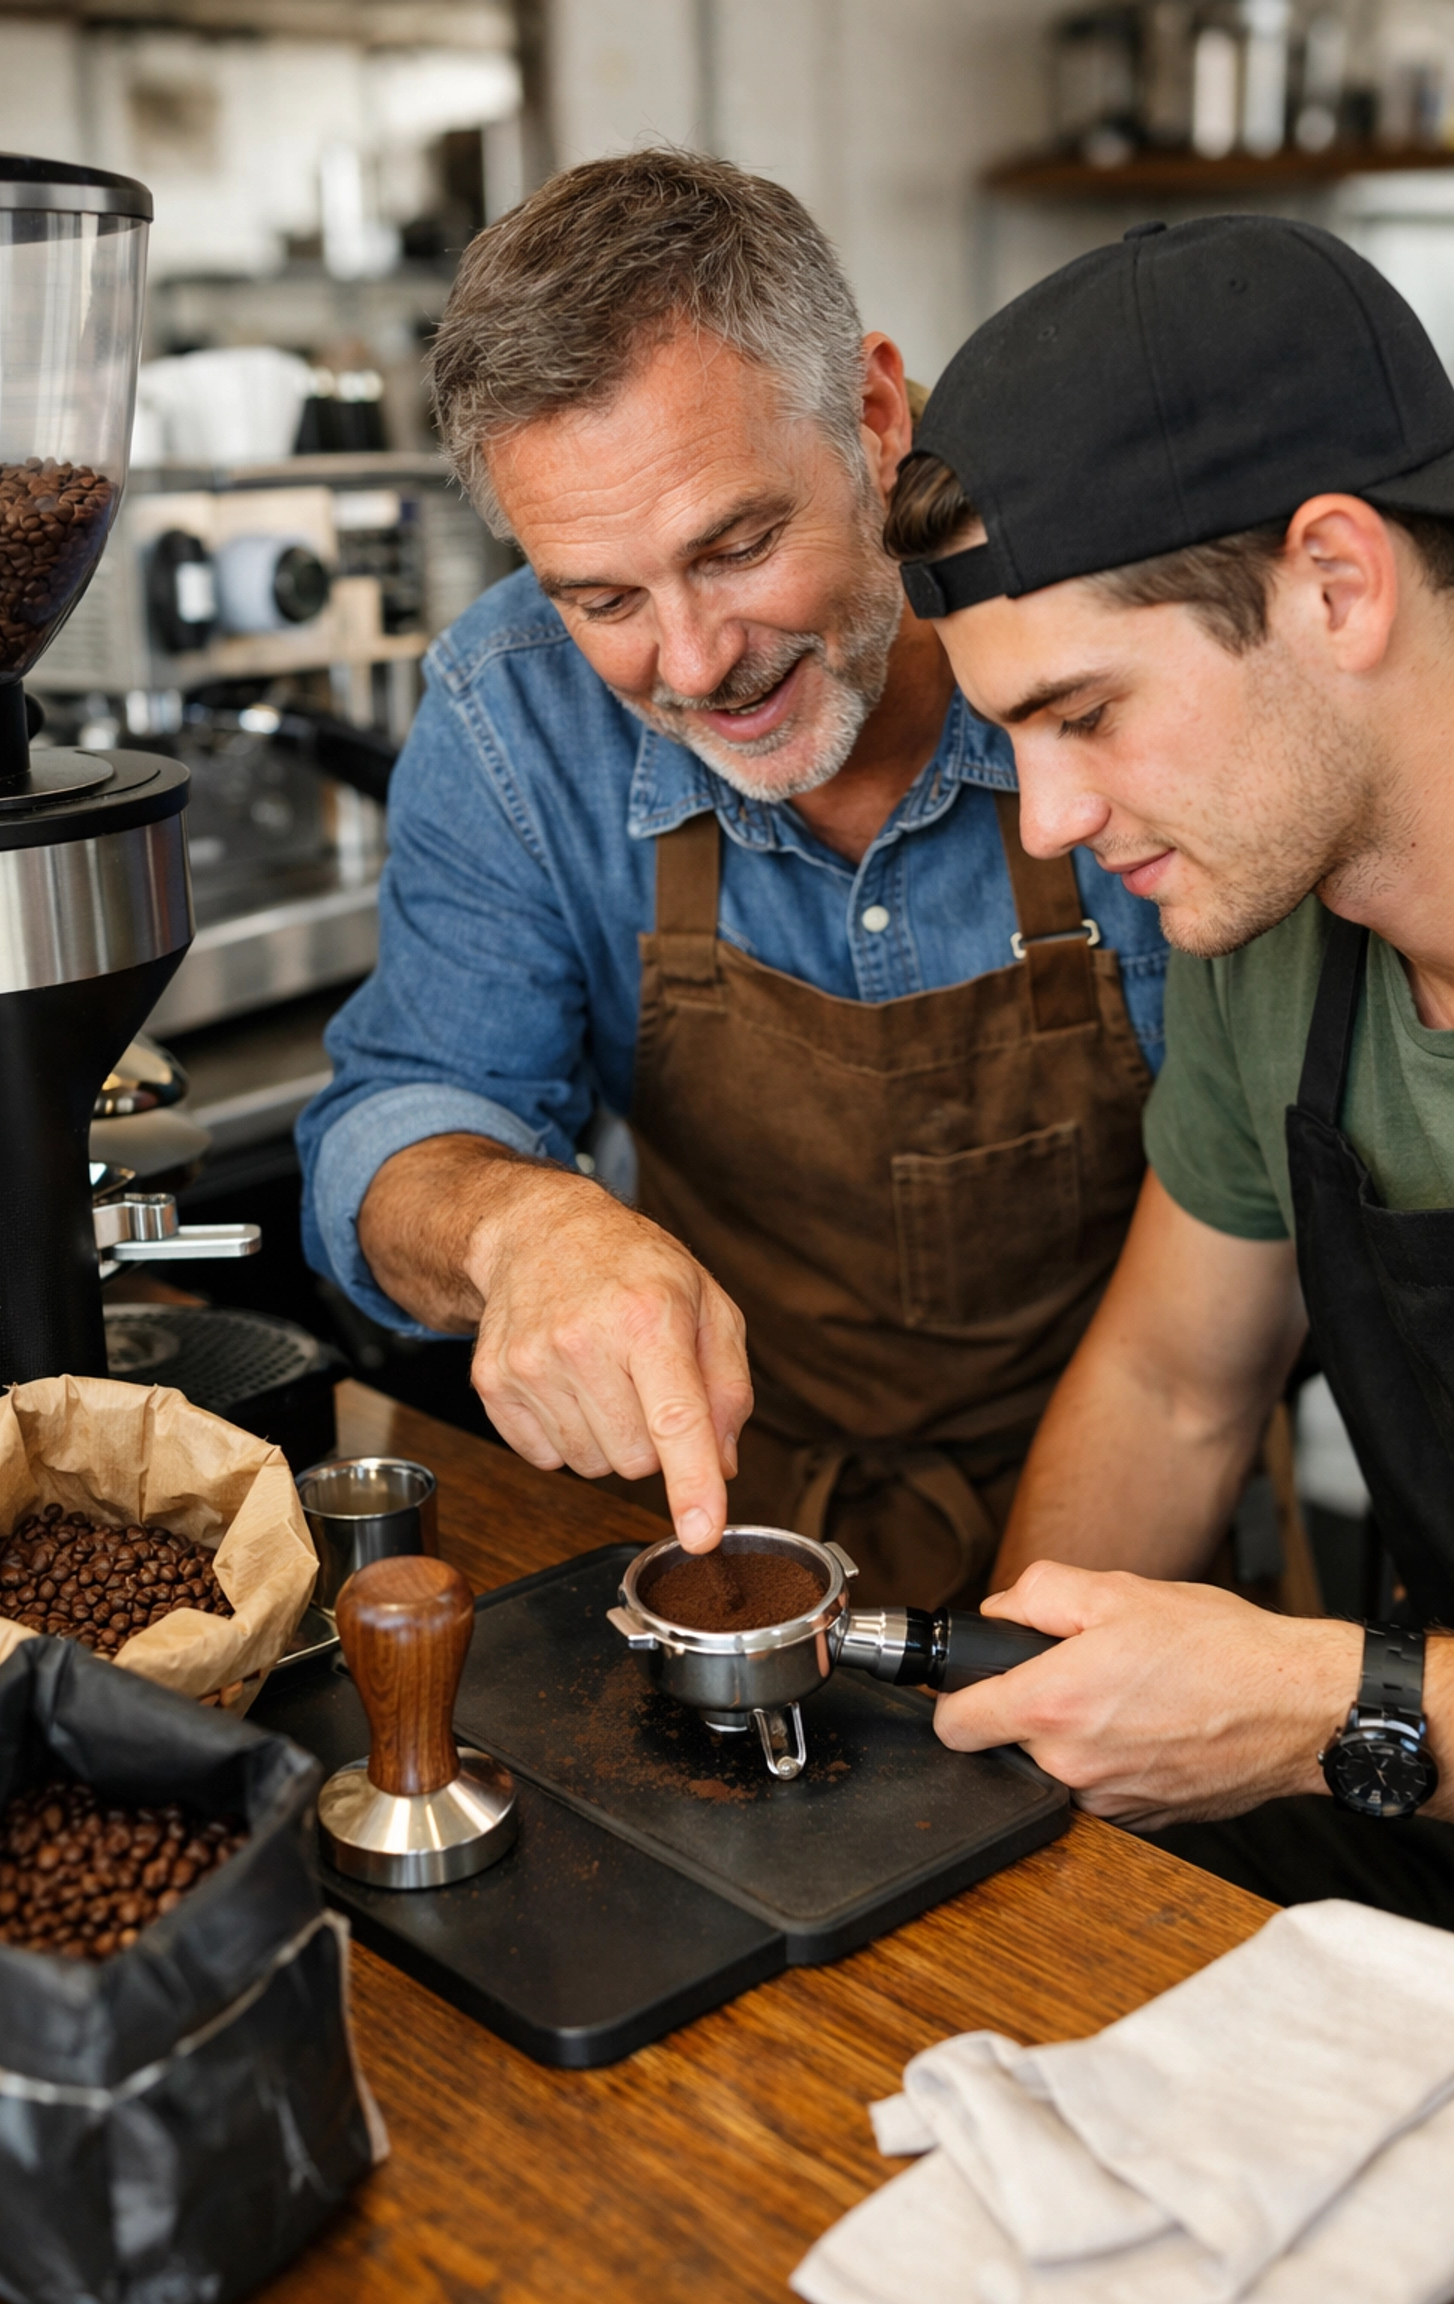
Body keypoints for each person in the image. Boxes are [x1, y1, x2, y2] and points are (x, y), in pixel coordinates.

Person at [297, 150, 1167, 1605]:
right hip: (726, 1534)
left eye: (739, 545)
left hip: (1140, 1524)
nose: (695, 664)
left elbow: (1247, 1245)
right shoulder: (513, 716)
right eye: (604, 598)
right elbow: (389, 1123)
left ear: (875, 416)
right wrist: (519, 1227)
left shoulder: (1109, 633)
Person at [884, 212, 1454, 1916]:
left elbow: (1321, 1717)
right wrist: (973, 1757)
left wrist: (1317, 1708)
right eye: (1011, 741)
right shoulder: (1276, 932)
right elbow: (1175, 1389)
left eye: (1088, 714)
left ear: (1335, 581)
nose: (1048, 824)